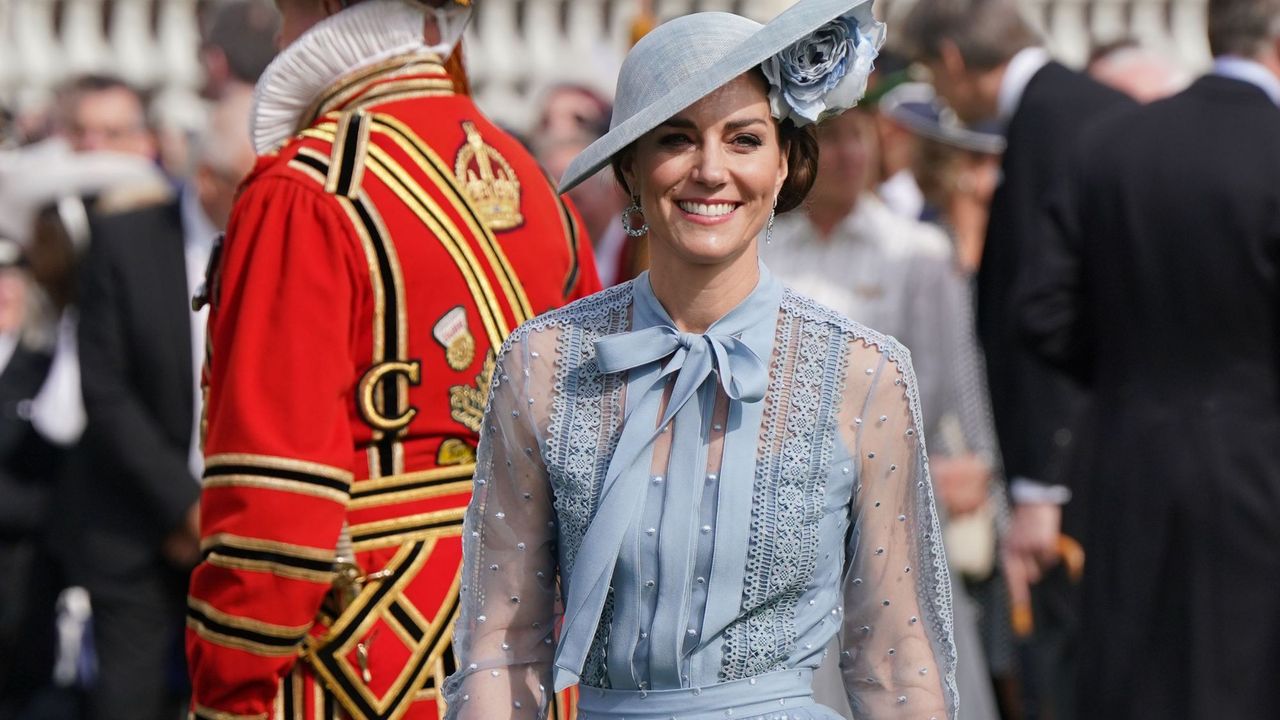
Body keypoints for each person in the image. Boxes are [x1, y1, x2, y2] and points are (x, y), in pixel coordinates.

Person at [444, 2, 958, 718]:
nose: (710, 170)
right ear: (631, 166)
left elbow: (896, 660)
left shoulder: (863, 373)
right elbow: (500, 645)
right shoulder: (544, 360)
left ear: (784, 163)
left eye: (743, 139)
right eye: (677, 139)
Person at [183, 1, 601, 719]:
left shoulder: (305, 191)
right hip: (531, 671)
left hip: (362, 674)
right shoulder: (535, 185)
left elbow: (275, 519)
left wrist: (228, 696)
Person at [1018, 0, 1280, 716]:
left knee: (1137, 683)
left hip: (1127, 460)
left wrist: (1130, 371)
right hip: (1262, 465)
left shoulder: (1110, 144)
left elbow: (1041, 310)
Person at [901, 3, 1135, 716]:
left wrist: (1039, 487)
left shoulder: (1046, 125)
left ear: (950, 60)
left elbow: (1042, 315)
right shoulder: (1089, 106)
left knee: (1067, 673)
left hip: (1076, 475)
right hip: (1108, 450)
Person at [765, 102, 1000, 720]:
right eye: (830, 140)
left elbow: (950, 386)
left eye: (857, 137)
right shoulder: (765, 252)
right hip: (790, 516)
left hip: (889, 505)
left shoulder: (915, 250)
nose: (848, 156)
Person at [72, 85, 257, 720]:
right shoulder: (125, 242)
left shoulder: (281, 243)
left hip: (252, 530)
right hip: (137, 528)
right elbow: (106, 390)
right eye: (250, 180)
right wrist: (186, 507)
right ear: (208, 178)